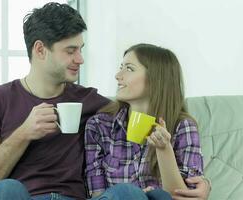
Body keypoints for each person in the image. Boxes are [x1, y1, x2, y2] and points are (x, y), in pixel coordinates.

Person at [0, 2, 210, 200]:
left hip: (77, 197)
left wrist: (201, 185)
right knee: (5, 190)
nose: (80, 59)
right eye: (71, 51)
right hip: (24, 196)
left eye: (81, 49)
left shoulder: (94, 104)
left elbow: (144, 108)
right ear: (40, 50)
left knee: (126, 194)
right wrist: (23, 133)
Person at [85, 43, 210, 199]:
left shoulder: (183, 127)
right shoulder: (99, 125)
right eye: (121, 66)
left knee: (158, 196)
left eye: (129, 69)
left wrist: (164, 149)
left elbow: (185, 197)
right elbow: (97, 194)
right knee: (126, 192)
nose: (118, 75)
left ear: (155, 78)